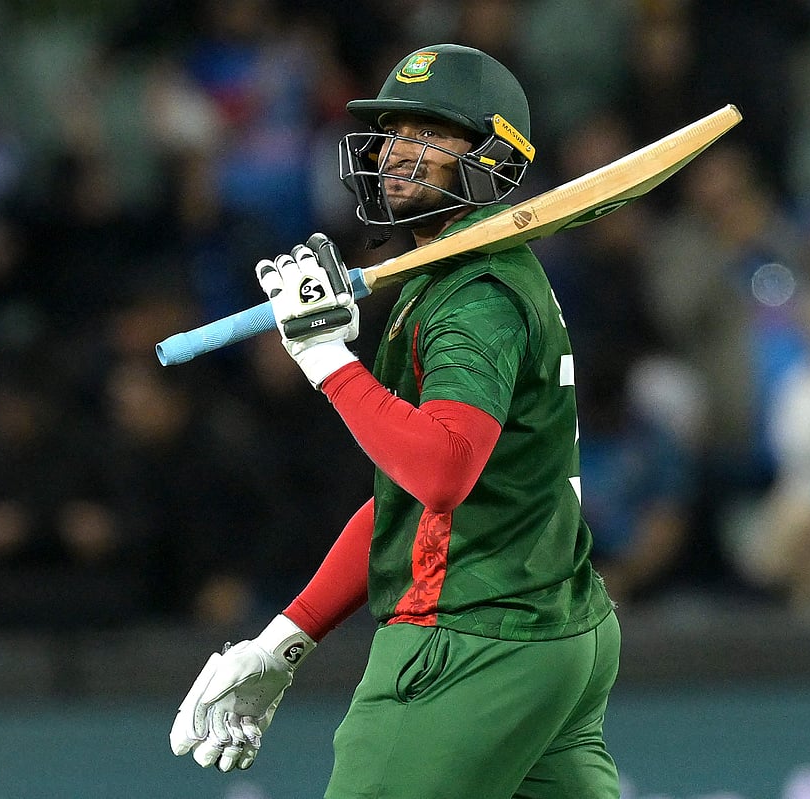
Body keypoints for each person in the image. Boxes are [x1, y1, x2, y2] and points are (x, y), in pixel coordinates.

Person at [169, 44, 620, 799]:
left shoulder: (472, 295)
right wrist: (284, 640)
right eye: (392, 134)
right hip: (555, 627)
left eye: (430, 135)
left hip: (471, 638)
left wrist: (324, 360)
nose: (395, 155)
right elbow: (403, 509)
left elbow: (441, 472)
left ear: (490, 157)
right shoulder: (468, 277)